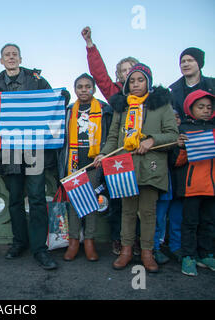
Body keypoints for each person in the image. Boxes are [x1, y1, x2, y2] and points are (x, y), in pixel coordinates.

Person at [93, 63, 179, 273]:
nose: (136, 84)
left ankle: (148, 253)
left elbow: (173, 136)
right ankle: (126, 251)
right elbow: (114, 137)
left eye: (140, 80)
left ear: (148, 82)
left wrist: (152, 140)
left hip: (151, 166)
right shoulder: (122, 107)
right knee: (128, 211)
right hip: (124, 166)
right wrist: (104, 153)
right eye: (132, 81)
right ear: (126, 84)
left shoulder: (161, 105)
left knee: (148, 212)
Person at [0, 43, 62, 270]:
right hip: (8, 153)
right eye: (7, 55)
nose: (11, 58)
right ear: (1, 60)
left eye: (14, 54)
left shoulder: (38, 81)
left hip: (34, 150)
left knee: (38, 199)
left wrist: (61, 97)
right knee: (16, 199)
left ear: (20, 58)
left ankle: (40, 249)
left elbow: (52, 104)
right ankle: (19, 242)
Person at [81, 26, 140, 256]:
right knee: (118, 201)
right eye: (124, 71)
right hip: (120, 157)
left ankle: (139, 242)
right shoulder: (116, 95)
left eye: (132, 69)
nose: (128, 74)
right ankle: (118, 239)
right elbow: (99, 75)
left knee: (141, 203)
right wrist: (90, 45)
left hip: (145, 156)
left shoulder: (153, 97)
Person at [58, 74, 113, 262]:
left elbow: (112, 135)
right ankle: (73, 240)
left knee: (91, 203)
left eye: (87, 86)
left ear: (94, 89)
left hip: (94, 162)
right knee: (74, 203)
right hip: (73, 161)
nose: (83, 90)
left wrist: (104, 153)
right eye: (80, 86)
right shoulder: (68, 111)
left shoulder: (105, 110)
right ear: (75, 90)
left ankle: (89, 240)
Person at [176, 89, 214, 276]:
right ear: (190, 108)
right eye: (201, 107)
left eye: (209, 107)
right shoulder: (184, 129)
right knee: (190, 223)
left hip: (212, 187)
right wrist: (182, 148)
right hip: (192, 187)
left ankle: (206, 254)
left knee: (209, 222)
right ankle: (188, 256)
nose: (206, 110)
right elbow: (177, 163)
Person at [153, 110, 184, 264]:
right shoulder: (159, 138)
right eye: (170, 117)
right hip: (163, 184)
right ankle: (155, 248)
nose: (174, 119)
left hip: (180, 185)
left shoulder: (187, 135)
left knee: (176, 219)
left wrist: (183, 146)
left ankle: (175, 247)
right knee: (158, 218)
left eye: (177, 116)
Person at [170, 47, 214, 121]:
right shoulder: (173, 92)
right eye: (183, 61)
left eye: (190, 60)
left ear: (199, 64)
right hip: (183, 131)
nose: (185, 64)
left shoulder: (212, 85)